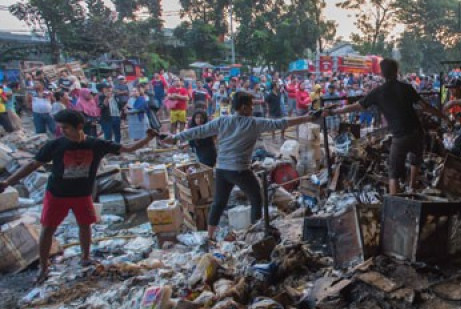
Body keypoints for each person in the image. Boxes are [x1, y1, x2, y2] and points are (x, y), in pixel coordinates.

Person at [0, 110, 157, 283]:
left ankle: (85, 257)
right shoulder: (55, 145)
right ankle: (43, 266)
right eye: (61, 127)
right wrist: (8, 182)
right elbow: (32, 164)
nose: (62, 131)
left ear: (79, 127)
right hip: (57, 194)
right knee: (48, 229)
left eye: (65, 127)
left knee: (85, 225)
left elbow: (128, 149)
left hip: (82, 194)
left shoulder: (96, 144)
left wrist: (148, 139)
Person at [162, 91, 322, 242]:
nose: (253, 108)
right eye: (251, 106)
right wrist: (307, 118)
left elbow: (199, 131)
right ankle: (256, 233)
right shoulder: (253, 123)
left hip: (222, 169)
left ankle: (210, 237)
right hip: (239, 170)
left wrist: (175, 138)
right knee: (257, 198)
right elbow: (281, 123)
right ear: (244, 107)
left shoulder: (222, 121)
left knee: (218, 202)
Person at [330, 59, 451, 195]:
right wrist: (443, 116)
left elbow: (357, 106)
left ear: (382, 74)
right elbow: (425, 106)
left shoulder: (378, 92)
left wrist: (334, 111)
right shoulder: (406, 88)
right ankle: (412, 187)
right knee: (415, 160)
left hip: (400, 137)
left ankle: (395, 203)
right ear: (396, 71)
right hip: (417, 132)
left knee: (393, 174)